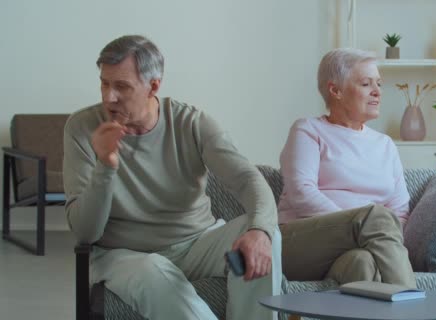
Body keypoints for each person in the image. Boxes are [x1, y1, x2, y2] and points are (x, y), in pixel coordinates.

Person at [63, 35, 281, 320]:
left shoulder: (191, 123)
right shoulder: (81, 128)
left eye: (121, 86)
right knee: (153, 271)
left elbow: (248, 180)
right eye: (104, 83)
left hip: (199, 243)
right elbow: (85, 231)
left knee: (266, 234)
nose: (108, 97)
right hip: (124, 255)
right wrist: (105, 165)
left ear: (154, 86)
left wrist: (260, 230)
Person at [277, 48, 416, 287]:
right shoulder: (308, 130)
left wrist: (364, 233)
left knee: (362, 263)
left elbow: (400, 211)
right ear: (335, 90)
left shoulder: (385, 145)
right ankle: (414, 312)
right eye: (365, 84)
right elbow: (302, 194)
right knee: (376, 217)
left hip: (356, 248)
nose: (377, 92)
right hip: (300, 242)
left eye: (379, 84)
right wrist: (356, 225)